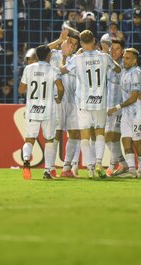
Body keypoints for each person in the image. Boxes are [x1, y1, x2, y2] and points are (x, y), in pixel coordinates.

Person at [60, 30, 121, 179]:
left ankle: (90, 168)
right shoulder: (104, 57)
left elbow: (62, 70)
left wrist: (63, 55)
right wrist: (106, 53)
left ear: (81, 43)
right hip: (100, 101)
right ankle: (99, 162)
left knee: (85, 136)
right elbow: (118, 69)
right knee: (100, 132)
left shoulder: (77, 59)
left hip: (83, 102)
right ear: (94, 40)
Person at [19, 44, 63, 180]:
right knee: (49, 140)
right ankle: (47, 171)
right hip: (48, 110)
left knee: (29, 139)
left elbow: (21, 89)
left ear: (37, 56)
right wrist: (58, 98)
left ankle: (26, 161)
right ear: (49, 55)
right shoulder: (53, 70)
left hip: (32, 110)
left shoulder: (28, 68)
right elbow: (60, 88)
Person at [107, 48, 141, 178]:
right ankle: (131, 170)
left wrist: (116, 107)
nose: (124, 60)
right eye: (124, 57)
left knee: (136, 142)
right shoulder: (124, 72)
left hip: (137, 113)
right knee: (125, 141)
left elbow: (133, 97)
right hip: (126, 113)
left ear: (134, 60)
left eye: (127, 58)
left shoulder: (136, 72)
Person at [53, 27, 82, 178]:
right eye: (70, 42)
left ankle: (66, 169)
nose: (72, 46)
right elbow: (39, 52)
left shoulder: (77, 60)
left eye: (75, 44)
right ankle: (50, 167)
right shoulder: (53, 55)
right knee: (56, 134)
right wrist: (59, 41)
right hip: (57, 101)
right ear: (64, 41)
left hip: (73, 101)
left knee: (75, 133)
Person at [104, 38, 129, 177]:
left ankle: (113, 166)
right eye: (111, 48)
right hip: (108, 107)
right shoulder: (108, 65)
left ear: (123, 51)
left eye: (117, 48)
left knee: (111, 137)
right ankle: (122, 164)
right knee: (110, 138)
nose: (113, 51)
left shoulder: (124, 66)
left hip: (120, 108)